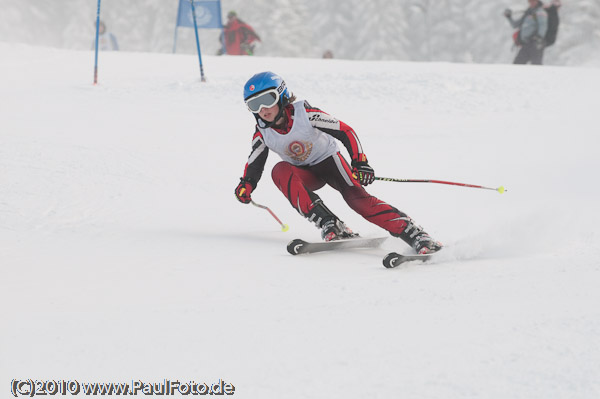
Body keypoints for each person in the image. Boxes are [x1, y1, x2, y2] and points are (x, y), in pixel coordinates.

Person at [234, 72, 442, 255]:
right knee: (279, 171)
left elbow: (346, 131)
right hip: (305, 175)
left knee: (358, 201)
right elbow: (254, 161)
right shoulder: (263, 132)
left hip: (330, 163)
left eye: (267, 100)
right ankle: (330, 223)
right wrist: (247, 184)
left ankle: (416, 235)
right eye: (254, 104)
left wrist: (360, 162)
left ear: (282, 95)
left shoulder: (306, 115)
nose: (262, 109)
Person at [504, 0, 548, 65]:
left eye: (533, 1)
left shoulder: (540, 12)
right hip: (526, 43)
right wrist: (509, 17)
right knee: (517, 64)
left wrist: (539, 37)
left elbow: (543, 25)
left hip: (535, 44)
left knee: (536, 66)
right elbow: (515, 25)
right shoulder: (528, 13)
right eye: (530, 1)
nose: (531, 3)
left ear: (537, 1)